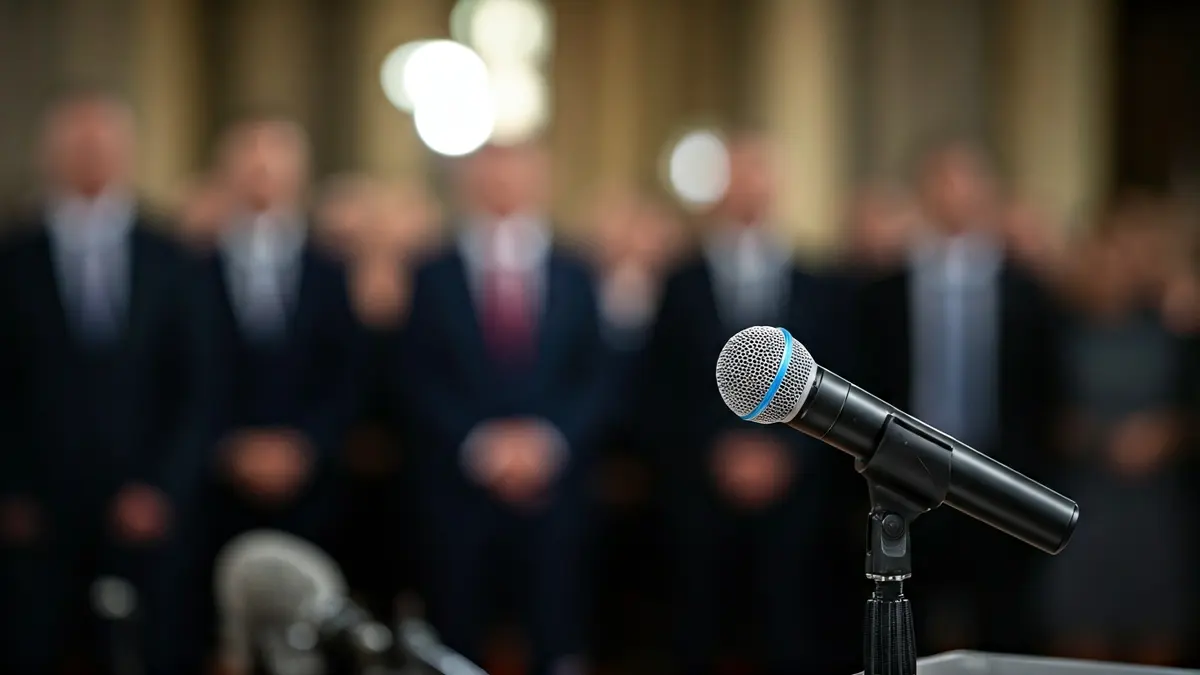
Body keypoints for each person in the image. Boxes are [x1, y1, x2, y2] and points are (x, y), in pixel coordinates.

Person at [0, 91, 215, 675]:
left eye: (104, 141)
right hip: (35, 511)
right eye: (77, 141)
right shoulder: (13, 258)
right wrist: (12, 488)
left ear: (129, 151)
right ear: (48, 152)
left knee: (145, 651)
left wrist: (163, 485)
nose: (91, 154)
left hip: (145, 501)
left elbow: (196, 384)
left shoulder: (172, 257)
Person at [639, 133, 854, 675]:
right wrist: (718, 452)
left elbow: (838, 381)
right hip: (700, 484)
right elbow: (660, 385)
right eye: (737, 173)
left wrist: (786, 455)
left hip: (794, 485)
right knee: (695, 629)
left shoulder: (819, 282)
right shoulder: (679, 281)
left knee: (790, 631)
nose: (748, 185)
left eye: (760, 171)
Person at [396, 142, 610, 675]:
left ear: (542, 179)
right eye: (491, 171)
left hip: (553, 487)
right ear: (468, 181)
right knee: (456, 634)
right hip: (458, 487)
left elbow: (597, 376)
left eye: (518, 170)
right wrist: (480, 446)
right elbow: (414, 376)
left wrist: (548, 443)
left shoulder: (577, 271)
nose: (504, 182)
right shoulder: (431, 273)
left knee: (554, 633)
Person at [856, 139, 1063, 654]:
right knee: (910, 626)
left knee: (1005, 624)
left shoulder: (1027, 290)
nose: (954, 193)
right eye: (941, 180)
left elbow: (1044, 389)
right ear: (922, 192)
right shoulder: (881, 292)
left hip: (1001, 475)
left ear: (987, 190)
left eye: (965, 179)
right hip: (905, 479)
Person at [201, 116, 365, 563]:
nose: (262, 171)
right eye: (249, 157)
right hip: (214, 485)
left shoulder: (332, 272)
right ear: (225, 171)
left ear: (300, 172)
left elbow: (349, 373)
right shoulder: (191, 270)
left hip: (313, 483)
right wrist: (231, 447)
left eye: (275, 158)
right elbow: (186, 372)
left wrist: (305, 445)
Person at [1039, 202, 1193, 666]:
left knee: (1156, 634)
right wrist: (1097, 438)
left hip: (1155, 508)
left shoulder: (1173, 333)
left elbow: (1186, 408)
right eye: (1103, 255)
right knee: (1079, 637)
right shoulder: (1059, 332)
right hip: (1082, 503)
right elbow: (1040, 415)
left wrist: (1167, 435)